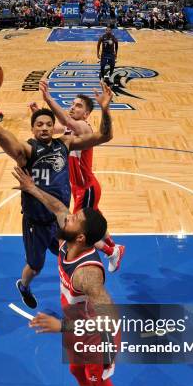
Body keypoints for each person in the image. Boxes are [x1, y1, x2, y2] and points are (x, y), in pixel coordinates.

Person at [0, 71, 114, 309]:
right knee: (36, 266)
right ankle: (23, 285)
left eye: (48, 124)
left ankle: (82, 288)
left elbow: (105, 136)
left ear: (54, 127)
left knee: (71, 254)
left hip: (62, 220)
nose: (44, 128)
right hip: (36, 224)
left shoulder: (66, 144)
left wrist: (105, 109)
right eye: (39, 124)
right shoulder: (26, 151)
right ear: (33, 129)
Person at [12, 166, 120, 386]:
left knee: (97, 379)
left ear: (81, 237)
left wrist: (61, 326)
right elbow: (58, 205)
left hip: (98, 336)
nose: (68, 215)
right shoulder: (67, 236)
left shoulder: (87, 274)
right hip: (77, 327)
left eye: (75, 218)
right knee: (76, 371)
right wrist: (32, 188)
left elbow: (111, 320)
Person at [30, 79, 125, 272]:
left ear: (87, 114)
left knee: (77, 230)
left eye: (78, 106)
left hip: (85, 188)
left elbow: (65, 120)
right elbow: (51, 130)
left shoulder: (84, 128)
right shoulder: (69, 129)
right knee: (95, 217)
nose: (73, 108)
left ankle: (109, 251)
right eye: (72, 104)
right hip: (85, 187)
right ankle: (115, 247)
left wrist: (48, 98)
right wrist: (37, 115)